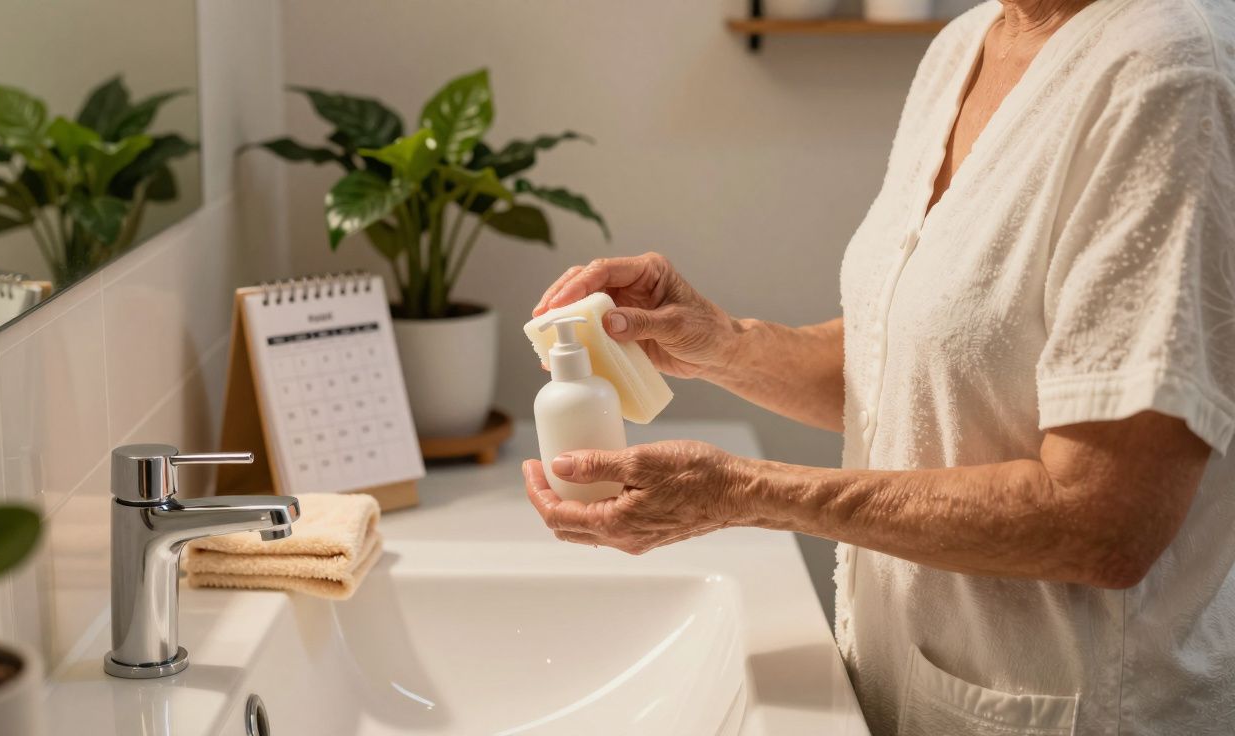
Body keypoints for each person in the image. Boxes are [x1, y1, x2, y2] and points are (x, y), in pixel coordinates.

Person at [520, 0, 1235, 732]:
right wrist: (724, 343)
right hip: (911, 690)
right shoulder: (964, 45)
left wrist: (741, 493)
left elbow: (1104, 520)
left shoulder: (1167, 72)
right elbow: (912, 364)